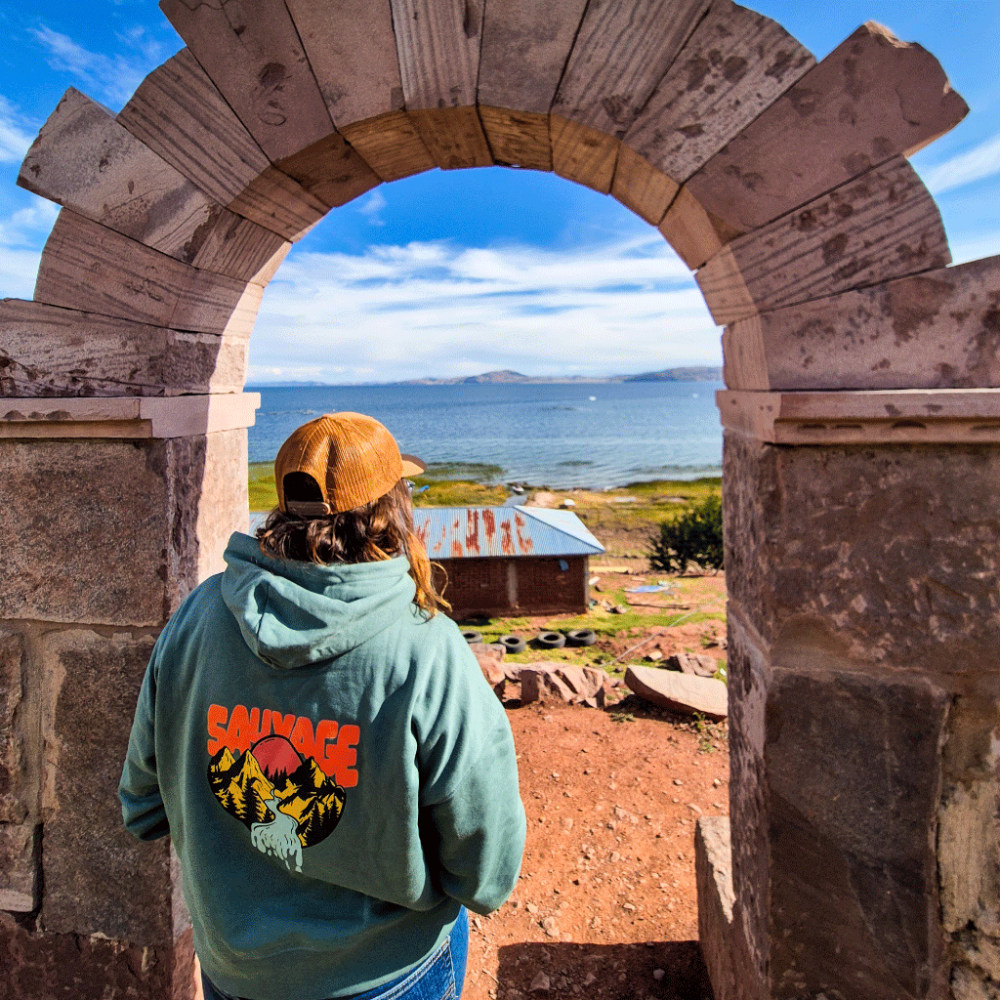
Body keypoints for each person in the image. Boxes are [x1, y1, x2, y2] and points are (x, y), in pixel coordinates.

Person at [119, 412, 526, 1000]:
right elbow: (485, 875)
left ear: (283, 505)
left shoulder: (198, 617)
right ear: (393, 511)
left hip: (236, 974)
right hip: (385, 974)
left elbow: (142, 807)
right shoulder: (427, 649)